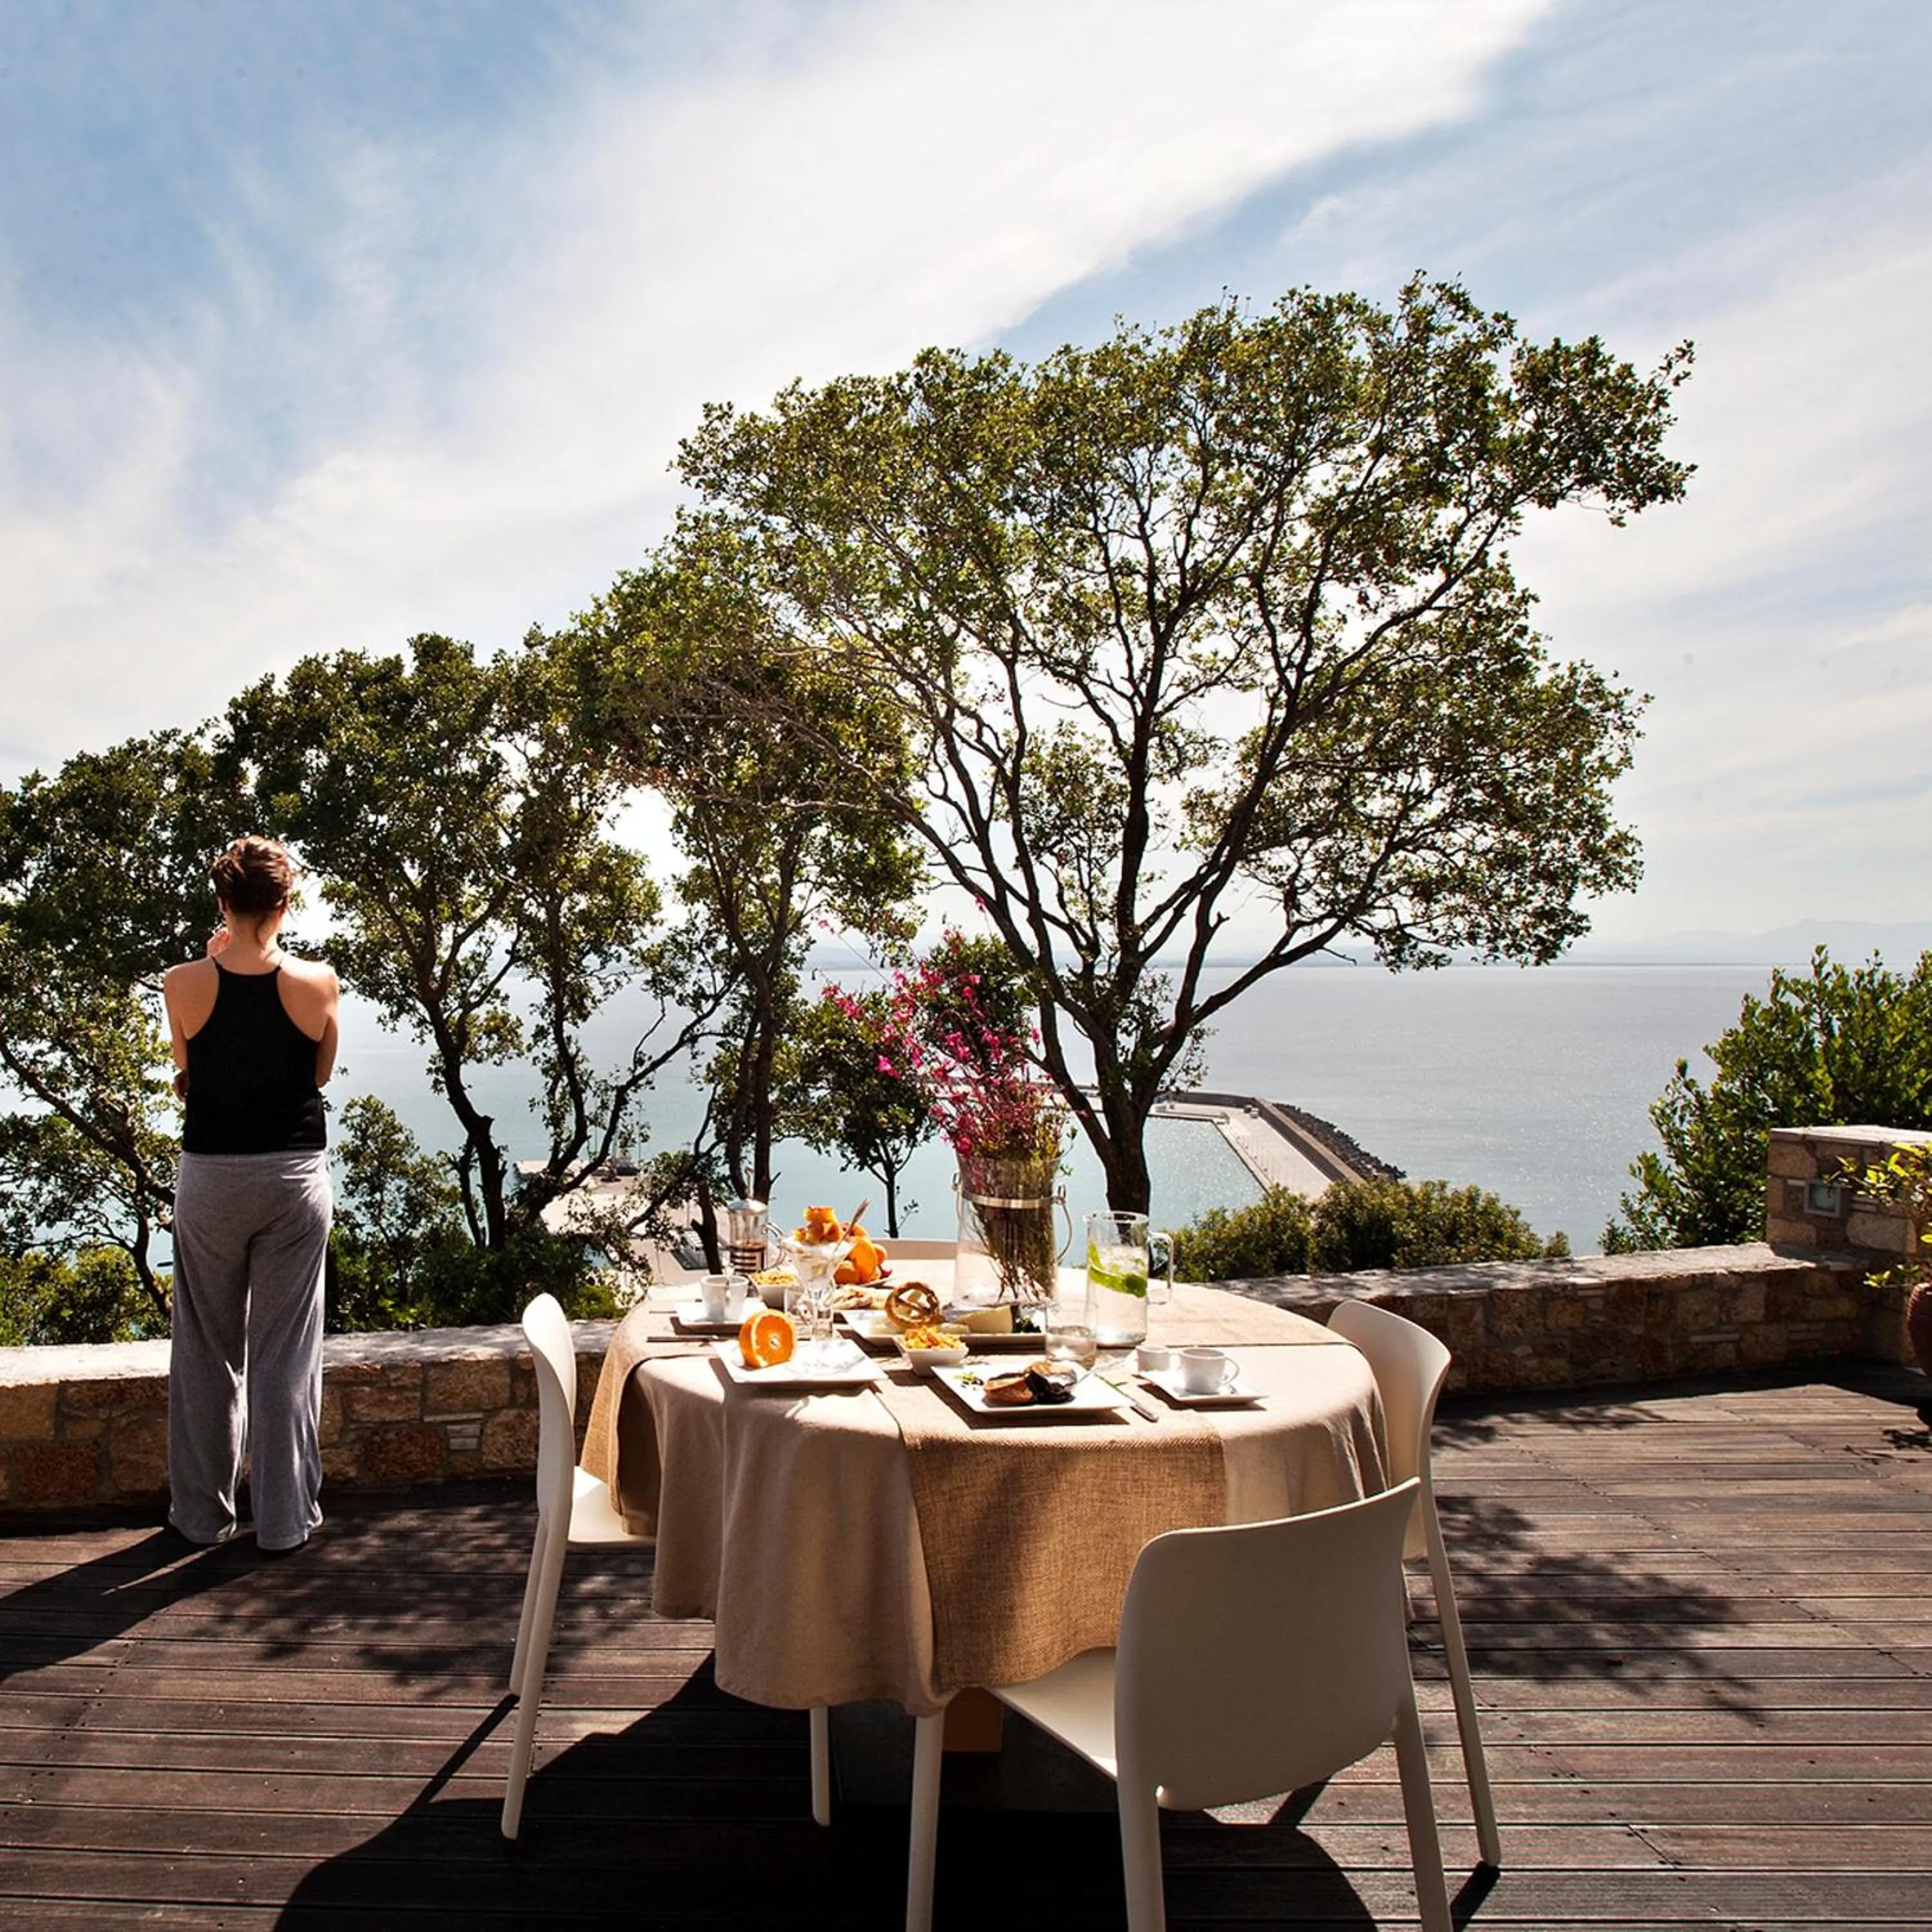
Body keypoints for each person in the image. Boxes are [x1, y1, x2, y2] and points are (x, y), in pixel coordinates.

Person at [162, 835, 339, 1551]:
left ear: (221, 902)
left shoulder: (181, 982)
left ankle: (201, 1518)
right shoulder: (317, 980)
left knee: (206, 1351)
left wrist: (213, 957)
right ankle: (284, 1522)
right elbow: (319, 1076)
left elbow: (189, 1072)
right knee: (284, 1354)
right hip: (292, 1179)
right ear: (285, 904)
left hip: (212, 1178)